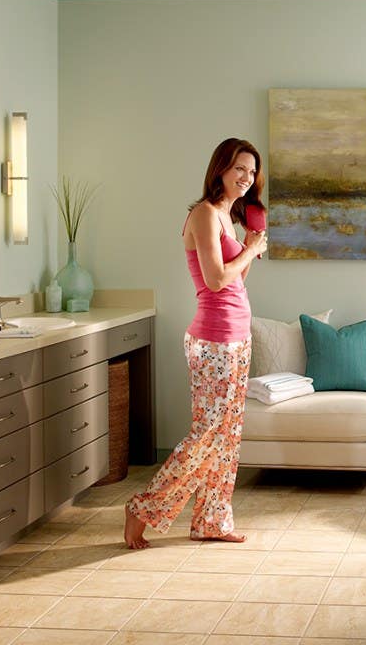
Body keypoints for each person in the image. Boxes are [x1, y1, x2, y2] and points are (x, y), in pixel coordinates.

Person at [123, 138, 268, 549]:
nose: (246, 177)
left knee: (227, 438)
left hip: (238, 336)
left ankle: (212, 520)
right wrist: (252, 249)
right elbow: (216, 280)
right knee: (207, 435)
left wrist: (251, 241)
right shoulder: (203, 214)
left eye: (252, 172)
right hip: (213, 341)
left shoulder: (228, 217)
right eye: (240, 168)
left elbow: (237, 281)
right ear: (220, 168)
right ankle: (142, 508)